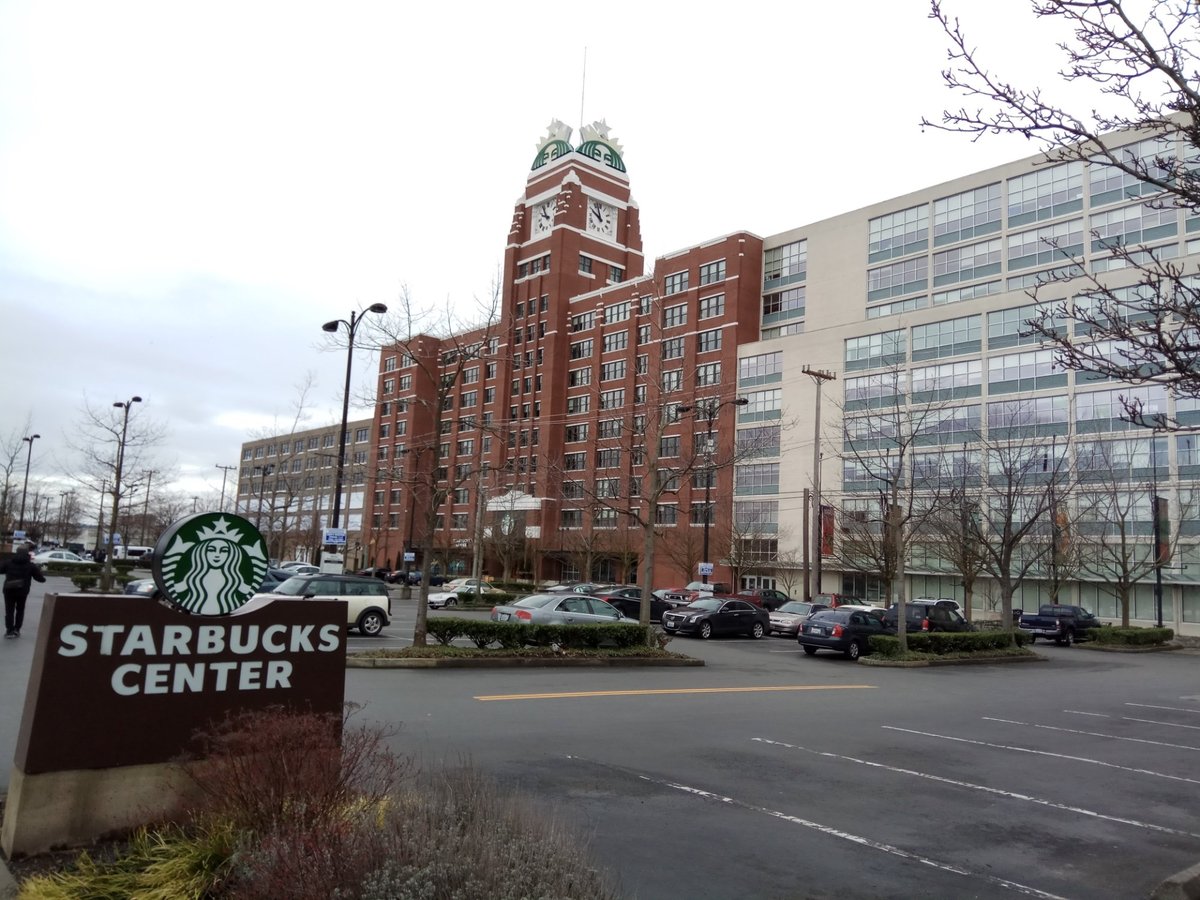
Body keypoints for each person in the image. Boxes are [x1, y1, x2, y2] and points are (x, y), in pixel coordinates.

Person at [1, 544, 46, 638]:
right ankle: (17, 630)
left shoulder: (8, 562)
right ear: (27, 553)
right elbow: (41, 579)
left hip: (9, 590)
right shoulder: (30, 565)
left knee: (9, 611)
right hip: (22, 591)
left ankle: (9, 631)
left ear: (16, 552)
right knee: (20, 610)